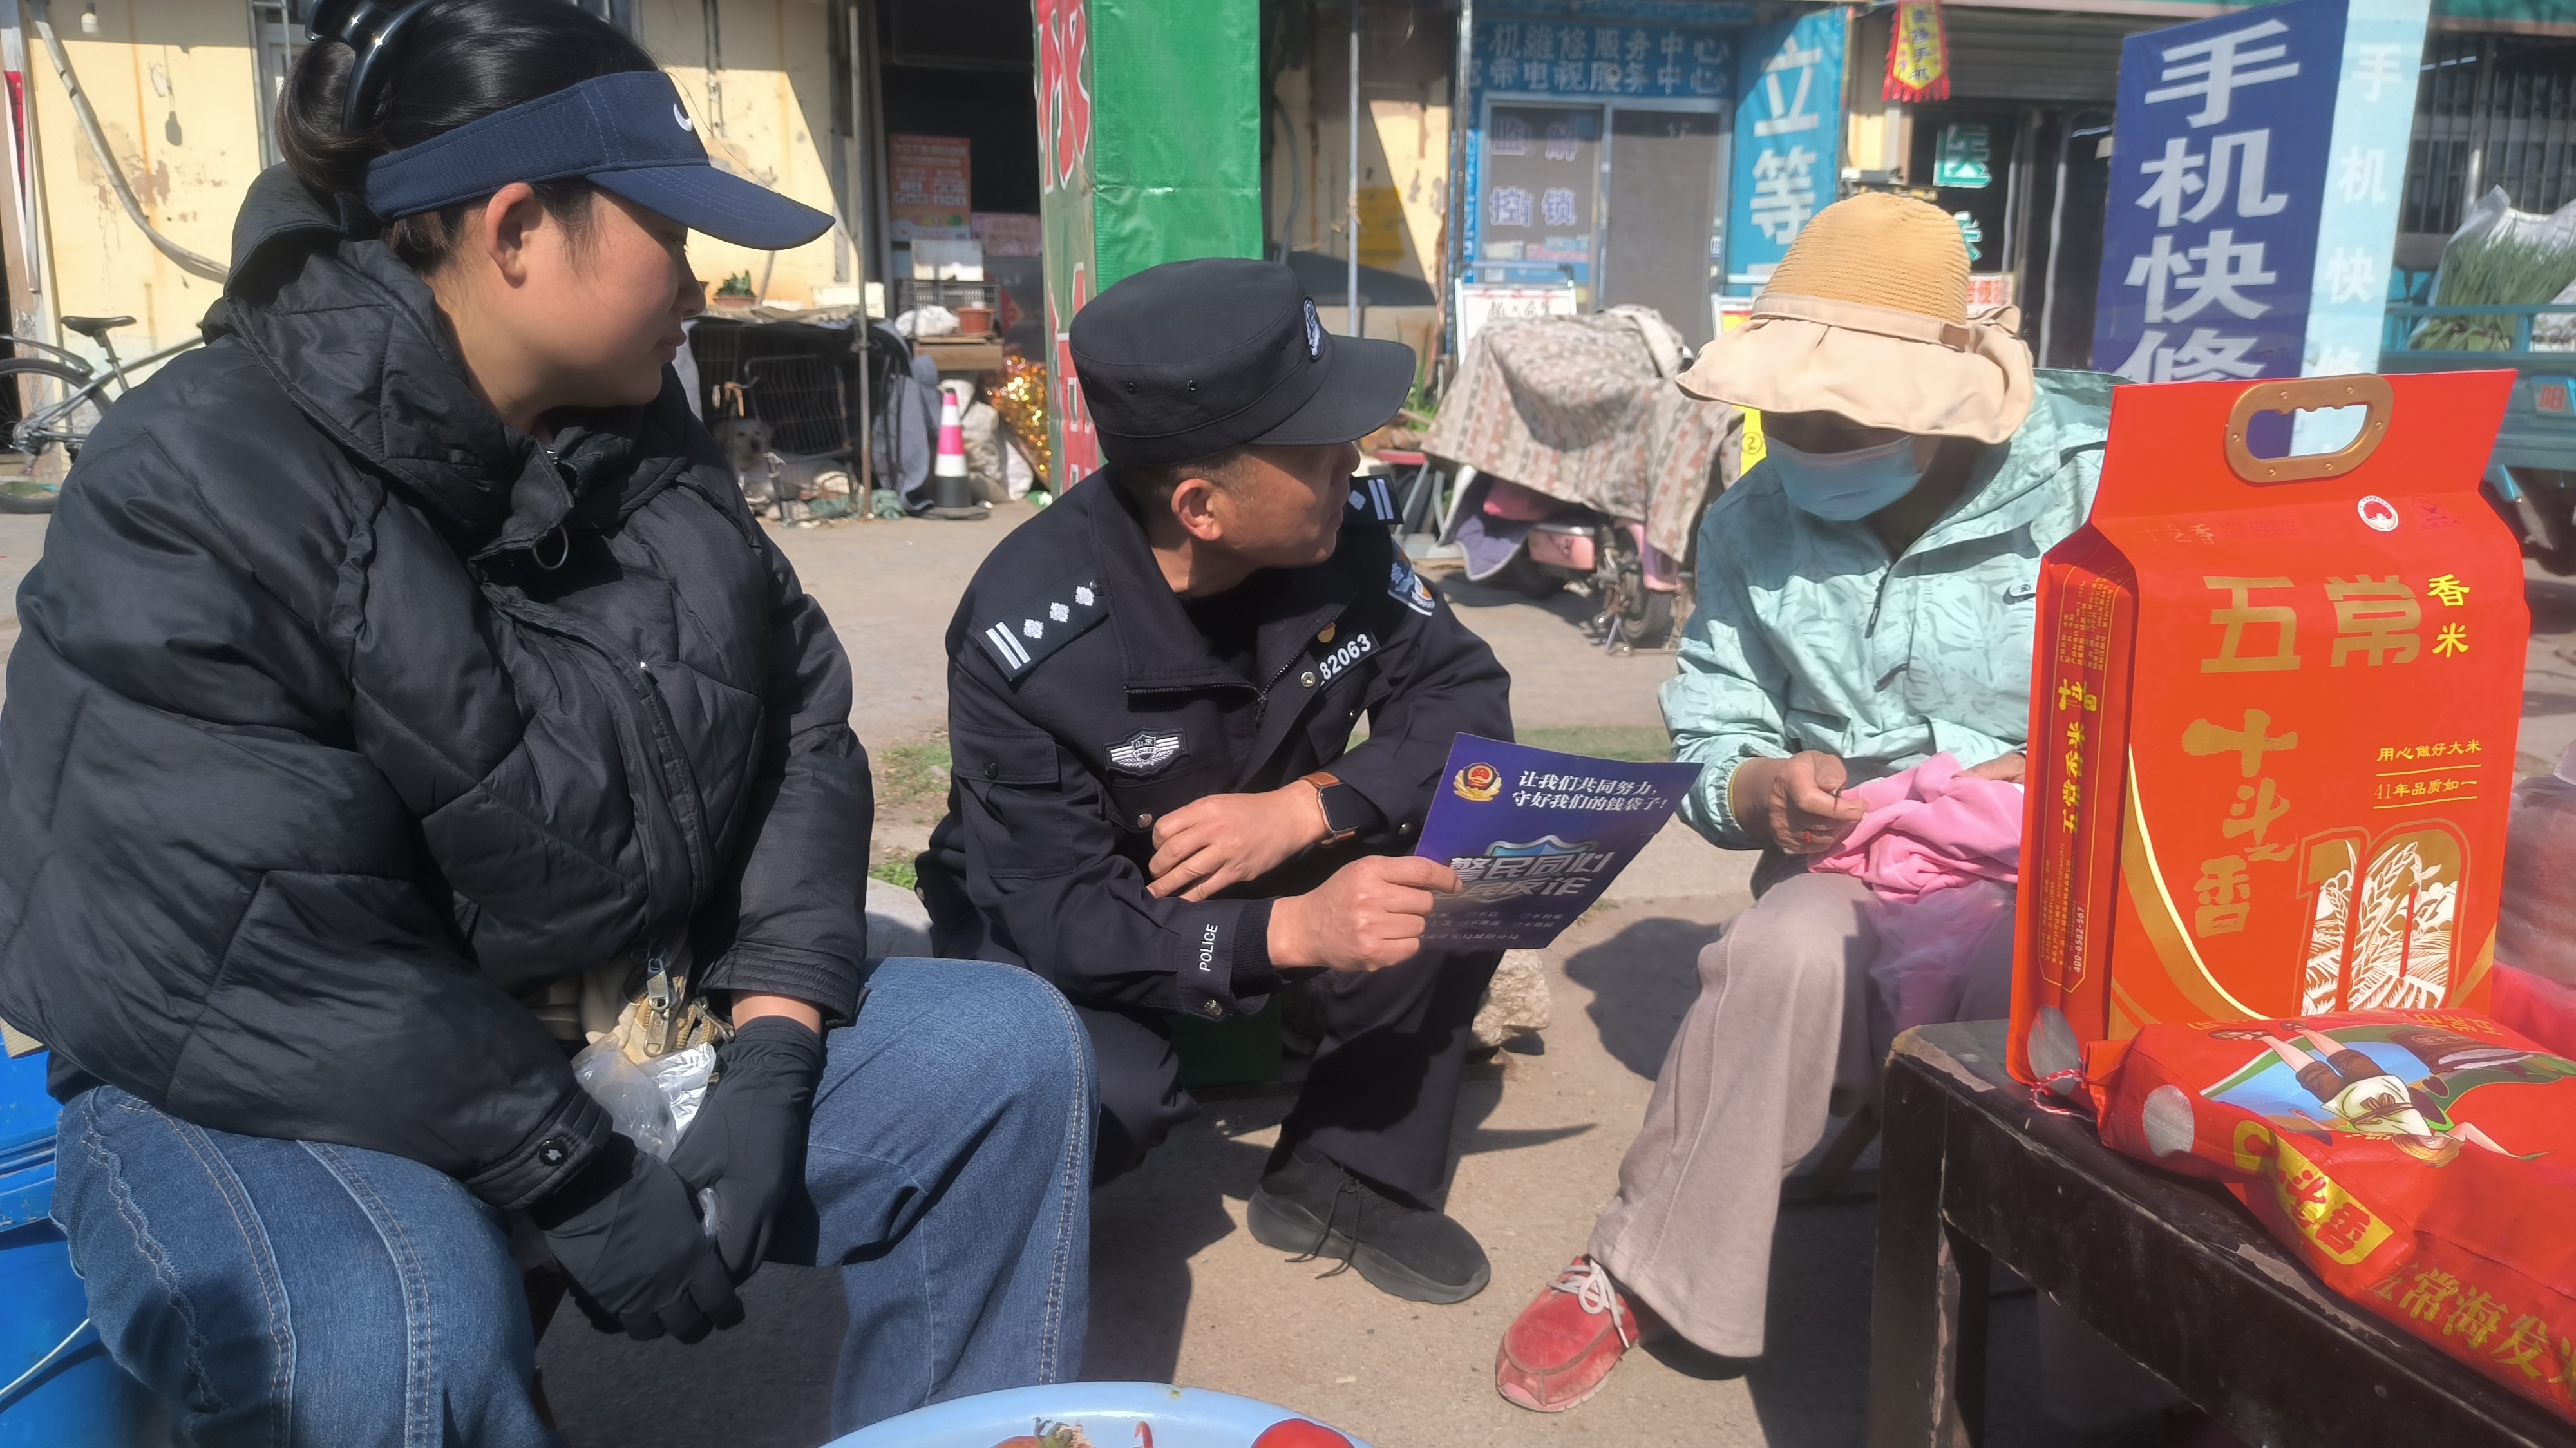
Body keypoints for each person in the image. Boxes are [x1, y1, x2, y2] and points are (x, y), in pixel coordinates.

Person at [0, 4, 1092, 1442]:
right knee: (391, 1324)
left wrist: (774, 1038)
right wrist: (572, 1173)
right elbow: (253, 950)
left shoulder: (635, 435)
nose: (697, 282)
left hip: (602, 1016)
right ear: (516, 230)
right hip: (262, 1083)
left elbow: (792, 721)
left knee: (1003, 1058)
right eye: (668, 232)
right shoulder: (194, 479)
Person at [1493, 193, 2116, 1411]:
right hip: (1857, 858)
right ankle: (1642, 1267)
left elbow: (2200, 688)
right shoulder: (1749, 523)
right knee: (1777, 954)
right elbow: (1716, 718)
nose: (1810, 441)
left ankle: (2129, 1358)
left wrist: (2050, 771)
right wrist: (1757, 788)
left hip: (2061, 861)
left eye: (1846, 419)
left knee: (2053, 1003)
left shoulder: (2094, 489)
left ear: (1940, 406)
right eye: (1787, 415)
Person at [918, 258, 1514, 1305]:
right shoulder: (1030, 634)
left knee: (1469, 850)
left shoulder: (1342, 535)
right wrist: (1291, 933)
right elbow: (1055, 906)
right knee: (1096, 1093)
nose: (1354, 458)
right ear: (1201, 506)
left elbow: (1462, 694)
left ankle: (1342, 1174)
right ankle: (986, 1197)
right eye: (1318, 446)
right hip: (1075, 913)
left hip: (1272, 855)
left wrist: (1310, 807)